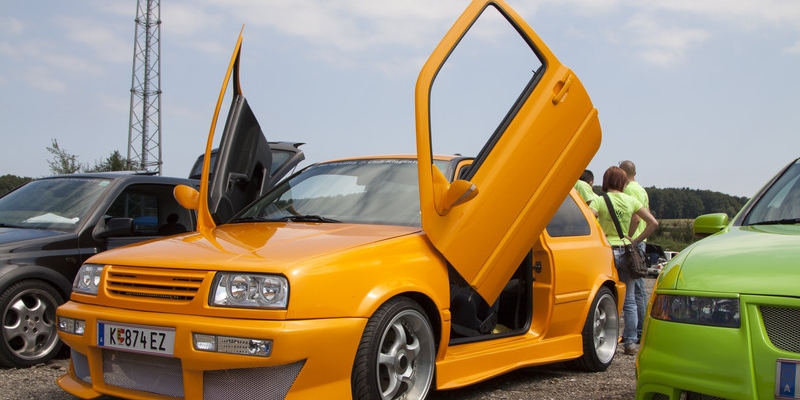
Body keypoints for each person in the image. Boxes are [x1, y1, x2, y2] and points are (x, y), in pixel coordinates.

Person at [589, 166, 658, 355]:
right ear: (623, 182)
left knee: (605, 296)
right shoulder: (631, 200)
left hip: (607, 252)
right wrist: (634, 240)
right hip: (626, 251)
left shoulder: (599, 200)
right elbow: (653, 223)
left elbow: (588, 218)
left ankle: (604, 338)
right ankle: (630, 343)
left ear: (606, 180)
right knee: (629, 299)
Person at [619, 160, 650, 344]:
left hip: (634, 243)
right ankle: (641, 329)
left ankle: (638, 332)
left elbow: (635, 218)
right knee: (639, 289)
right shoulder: (642, 190)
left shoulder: (629, 190)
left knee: (634, 290)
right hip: (642, 241)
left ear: (623, 173)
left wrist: (628, 238)